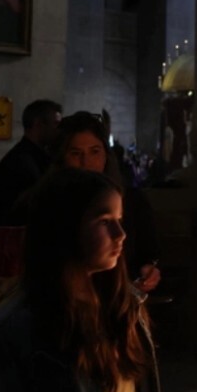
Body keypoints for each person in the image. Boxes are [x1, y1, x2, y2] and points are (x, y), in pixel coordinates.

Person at [0, 167, 170, 392]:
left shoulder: (123, 304)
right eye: (105, 222)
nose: (121, 234)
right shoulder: (14, 337)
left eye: (119, 220)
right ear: (63, 228)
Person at [52, 112, 161, 292]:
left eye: (95, 151)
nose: (86, 162)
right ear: (62, 157)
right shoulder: (47, 202)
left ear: (105, 154)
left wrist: (148, 270)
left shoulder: (131, 199)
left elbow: (148, 250)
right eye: (75, 153)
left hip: (120, 299)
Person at [0, 99, 62, 233]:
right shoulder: (20, 162)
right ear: (38, 124)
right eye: (56, 124)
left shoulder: (38, 157)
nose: (59, 131)